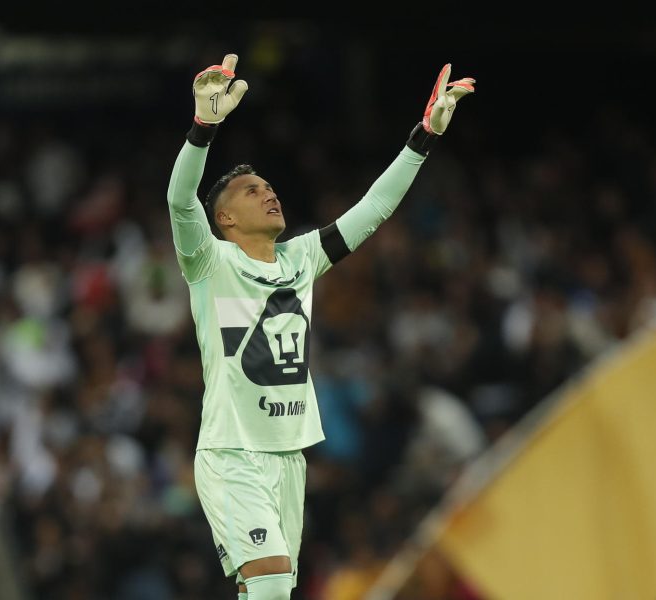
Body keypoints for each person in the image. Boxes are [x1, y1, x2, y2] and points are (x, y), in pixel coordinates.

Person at [166, 53, 475, 600]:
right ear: (226, 220)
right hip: (233, 455)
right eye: (251, 191)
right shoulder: (209, 263)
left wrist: (423, 136)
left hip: (289, 457)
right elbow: (178, 199)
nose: (268, 192)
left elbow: (375, 206)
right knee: (269, 584)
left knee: (271, 590)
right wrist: (203, 126)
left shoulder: (300, 259)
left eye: (268, 185)